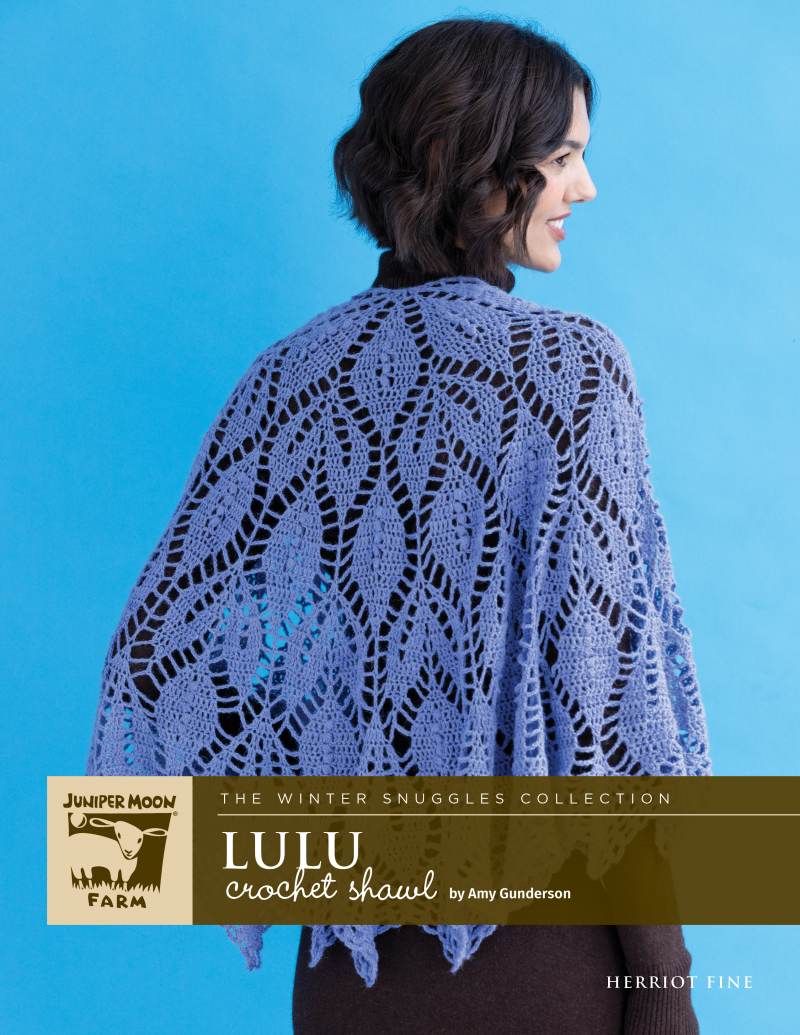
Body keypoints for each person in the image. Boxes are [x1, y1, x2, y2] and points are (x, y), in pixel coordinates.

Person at [86, 16, 711, 1034]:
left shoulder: (290, 377)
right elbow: (609, 724)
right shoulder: (572, 372)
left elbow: (156, 657)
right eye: (561, 158)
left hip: (345, 977)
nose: (585, 188)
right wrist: (664, 993)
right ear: (470, 165)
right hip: (545, 974)